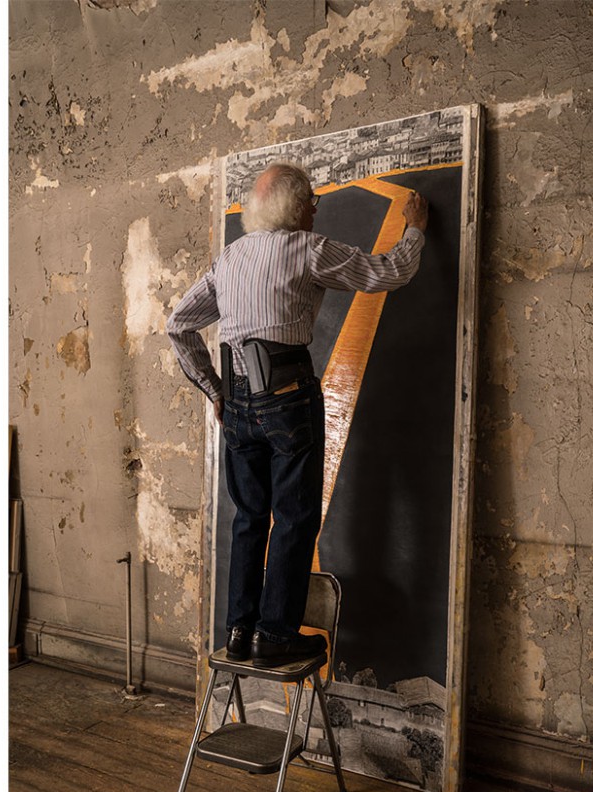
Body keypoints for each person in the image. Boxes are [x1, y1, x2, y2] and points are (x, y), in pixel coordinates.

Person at [167, 161, 428, 667]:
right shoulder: (309, 250)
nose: (316, 205)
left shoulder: (230, 258)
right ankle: (277, 635)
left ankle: (240, 631)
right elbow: (387, 272)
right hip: (286, 398)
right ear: (293, 206)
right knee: (294, 517)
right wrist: (415, 230)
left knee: (249, 517)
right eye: (311, 198)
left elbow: (177, 324)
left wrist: (214, 390)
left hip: (238, 403)